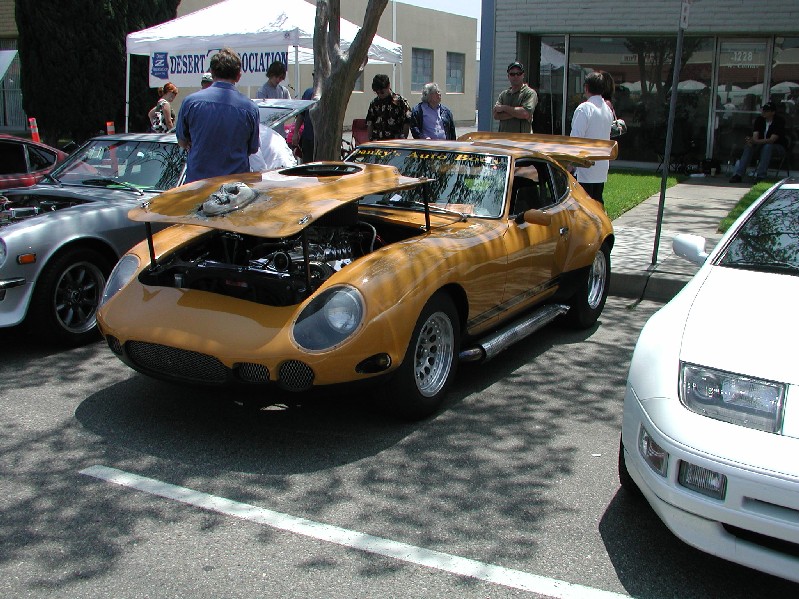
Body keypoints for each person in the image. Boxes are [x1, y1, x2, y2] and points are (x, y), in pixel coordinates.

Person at [175, 47, 260, 183]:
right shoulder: (250, 108)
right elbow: (253, 148)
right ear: (238, 76)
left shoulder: (190, 102)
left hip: (198, 184)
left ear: (211, 72)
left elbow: (182, 141)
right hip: (234, 186)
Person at [570, 71, 613, 204]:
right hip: (601, 167)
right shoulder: (607, 110)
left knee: (583, 207)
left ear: (586, 87)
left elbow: (576, 140)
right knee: (597, 205)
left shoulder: (585, 109)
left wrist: (570, 164)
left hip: (584, 169)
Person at [729, 101, 788, 183]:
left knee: (767, 147)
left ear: (773, 112)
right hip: (761, 145)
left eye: (766, 111)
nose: (763, 112)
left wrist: (755, 141)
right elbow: (755, 136)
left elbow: (772, 140)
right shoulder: (759, 120)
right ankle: (738, 174)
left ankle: (761, 176)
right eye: (763, 110)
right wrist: (751, 141)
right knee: (748, 147)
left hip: (778, 147)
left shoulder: (779, 121)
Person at [493, 62, 538, 133]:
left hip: (522, 138)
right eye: (512, 74)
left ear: (523, 75)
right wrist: (517, 113)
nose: (516, 76)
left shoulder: (529, 93)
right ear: (508, 76)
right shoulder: (503, 95)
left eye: (519, 73)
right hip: (504, 138)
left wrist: (504, 108)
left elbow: (525, 113)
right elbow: (496, 115)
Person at [366, 74, 411, 141]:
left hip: (395, 142)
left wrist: (403, 139)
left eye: (382, 92)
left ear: (388, 86)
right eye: (377, 93)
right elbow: (370, 123)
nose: (380, 95)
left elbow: (407, 122)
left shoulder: (400, 102)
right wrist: (370, 139)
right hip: (377, 141)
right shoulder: (374, 103)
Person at [293, 77, 316, 163]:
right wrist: (295, 133)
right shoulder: (308, 93)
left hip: (322, 140)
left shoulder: (329, 94)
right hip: (308, 138)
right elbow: (301, 115)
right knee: (307, 165)